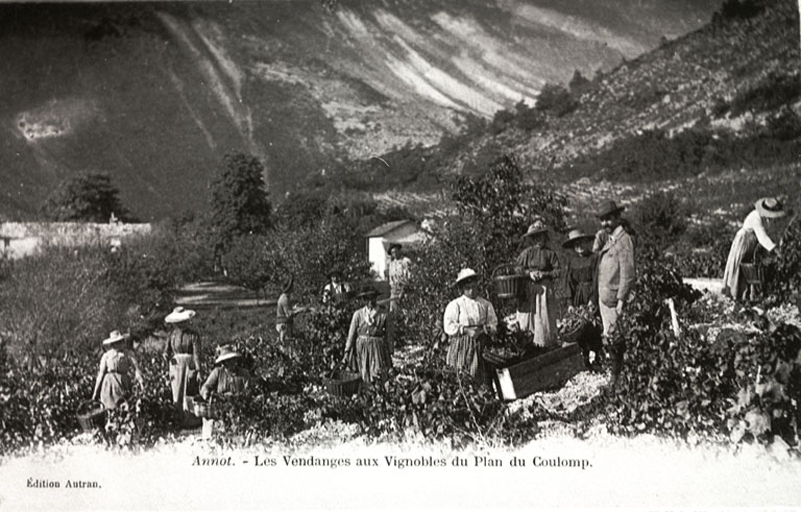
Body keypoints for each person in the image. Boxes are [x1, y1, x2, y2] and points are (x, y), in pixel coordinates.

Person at [594, 200, 636, 387]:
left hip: (614, 301)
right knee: (610, 339)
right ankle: (616, 378)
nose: (605, 224)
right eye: (602, 220)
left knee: (617, 340)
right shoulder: (610, 240)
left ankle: (617, 379)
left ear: (617, 218)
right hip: (606, 299)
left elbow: (628, 273)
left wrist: (621, 301)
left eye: (608, 219)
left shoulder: (623, 240)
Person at [722, 197, 786, 301]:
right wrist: (775, 250)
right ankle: (737, 295)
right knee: (741, 266)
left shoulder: (765, 218)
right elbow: (763, 237)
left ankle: (747, 296)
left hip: (752, 242)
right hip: (744, 241)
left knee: (750, 268)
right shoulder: (755, 217)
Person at [443, 268, 498, 384]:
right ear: (462, 289)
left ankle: (483, 395)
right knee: (462, 372)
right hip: (462, 344)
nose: (472, 291)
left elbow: (493, 323)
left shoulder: (485, 304)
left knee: (481, 373)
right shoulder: (456, 305)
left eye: (474, 287)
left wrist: (484, 330)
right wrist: (465, 330)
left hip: (481, 343)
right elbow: (448, 325)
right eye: (468, 288)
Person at [562, 228, 604, 370]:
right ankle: (585, 358)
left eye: (582, 243)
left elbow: (597, 280)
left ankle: (598, 356)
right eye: (576, 244)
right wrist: (570, 303)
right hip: (578, 296)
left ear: (587, 243)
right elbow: (569, 283)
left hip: (591, 293)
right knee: (579, 326)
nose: (579, 247)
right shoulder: (572, 261)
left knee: (593, 325)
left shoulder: (594, 258)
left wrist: (593, 298)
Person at [515, 218, 560, 348]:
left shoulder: (550, 253)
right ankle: (526, 344)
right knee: (528, 318)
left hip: (545, 289)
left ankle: (544, 343)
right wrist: (529, 273)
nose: (538, 240)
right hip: (529, 288)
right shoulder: (527, 253)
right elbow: (517, 268)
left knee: (544, 317)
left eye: (540, 237)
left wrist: (545, 274)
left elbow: (558, 271)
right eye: (535, 237)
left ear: (544, 237)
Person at [341, 287, 393, 386]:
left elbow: (389, 334)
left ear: (376, 298)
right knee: (363, 372)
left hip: (377, 348)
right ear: (364, 300)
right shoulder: (358, 314)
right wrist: (347, 352)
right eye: (367, 299)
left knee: (378, 372)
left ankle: (378, 391)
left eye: (372, 298)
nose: (370, 301)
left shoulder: (384, 314)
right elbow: (351, 335)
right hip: (361, 348)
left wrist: (390, 352)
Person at [199, 346, 252, 438]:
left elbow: (249, 392)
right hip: (220, 405)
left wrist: (236, 397)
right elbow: (206, 386)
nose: (232, 363)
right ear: (224, 363)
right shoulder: (218, 372)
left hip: (238, 405)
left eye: (233, 360)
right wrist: (206, 393)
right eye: (228, 360)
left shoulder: (244, 374)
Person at [163, 306, 202, 425]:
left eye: (183, 322)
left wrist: (198, 369)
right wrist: (165, 356)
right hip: (175, 365)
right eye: (179, 323)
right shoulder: (172, 335)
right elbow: (166, 350)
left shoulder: (193, 335)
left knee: (189, 389)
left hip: (189, 363)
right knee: (177, 391)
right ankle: (178, 417)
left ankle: (190, 419)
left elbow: (196, 354)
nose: (181, 324)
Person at [92, 330, 144, 410]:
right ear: (112, 344)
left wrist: (141, 382)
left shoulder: (128, 354)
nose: (120, 344)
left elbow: (136, 368)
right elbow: (101, 374)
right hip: (109, 384)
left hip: (123, 382)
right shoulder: (107, 356)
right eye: (117, 342)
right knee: (109, 407)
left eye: (121, 342)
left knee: (124, 406)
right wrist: (95, 393)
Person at [385, 243, 412, 312]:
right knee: (393, 311)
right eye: (393, 253)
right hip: (394, 290)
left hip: (404, 289)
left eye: (396, 251)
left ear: (399, 251)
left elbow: (409, 278)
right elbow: (391, 280)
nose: (395, 254)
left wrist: (403, 291)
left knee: (404, 310)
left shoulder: (405, 261)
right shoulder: (391, 264)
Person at [276, 276, 297, 343]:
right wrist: (303, 310)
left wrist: (294, 308)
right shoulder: (285, 299)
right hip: (285, 326)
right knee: (288, 344)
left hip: (283, 324)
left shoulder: (283, 297)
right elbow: (289, 314)